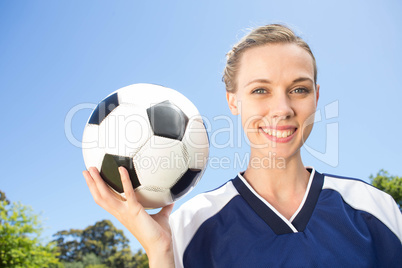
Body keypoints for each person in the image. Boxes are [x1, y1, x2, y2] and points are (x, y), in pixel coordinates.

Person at [83, 24, 402, 267]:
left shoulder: (376, 210)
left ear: (316, 97)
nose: (282, 108)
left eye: (299, 90)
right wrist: (161, 251)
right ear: (233, 101)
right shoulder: (188, 228)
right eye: (261, 91)